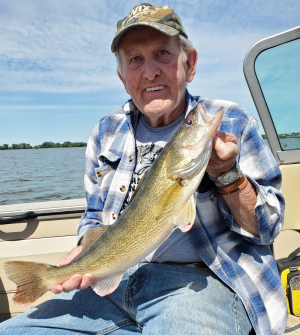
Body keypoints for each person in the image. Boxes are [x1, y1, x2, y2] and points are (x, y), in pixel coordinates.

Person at [0, 3, 287, 335]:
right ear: (123, 77)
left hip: (200, 285)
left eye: (163, 53)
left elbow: (267, 228)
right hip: (116, 281)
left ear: (189, 63)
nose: (150, 72)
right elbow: (95, 216)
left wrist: (227, 174)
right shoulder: (105, 132)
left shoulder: (233, 122)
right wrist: (84, 251)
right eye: (134, 59)